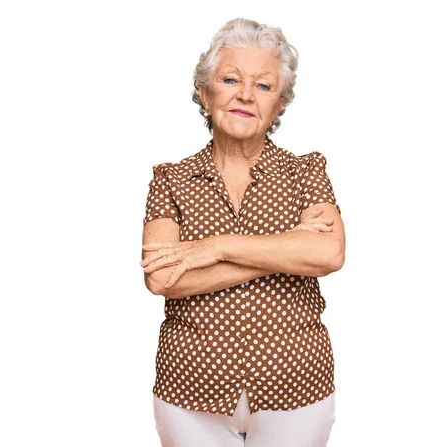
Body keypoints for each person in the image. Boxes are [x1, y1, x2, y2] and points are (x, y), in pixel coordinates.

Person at [140, 17, 346, 447]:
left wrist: (214, 247)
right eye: (231, 79)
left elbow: (328, 254)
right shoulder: (169, 179)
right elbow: (161, 278)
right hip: (189, 392)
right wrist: (286, 249)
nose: (246, 95)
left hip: (297, 390)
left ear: (279, 105)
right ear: (204, 91)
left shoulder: (306, 170)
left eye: (264, 86)